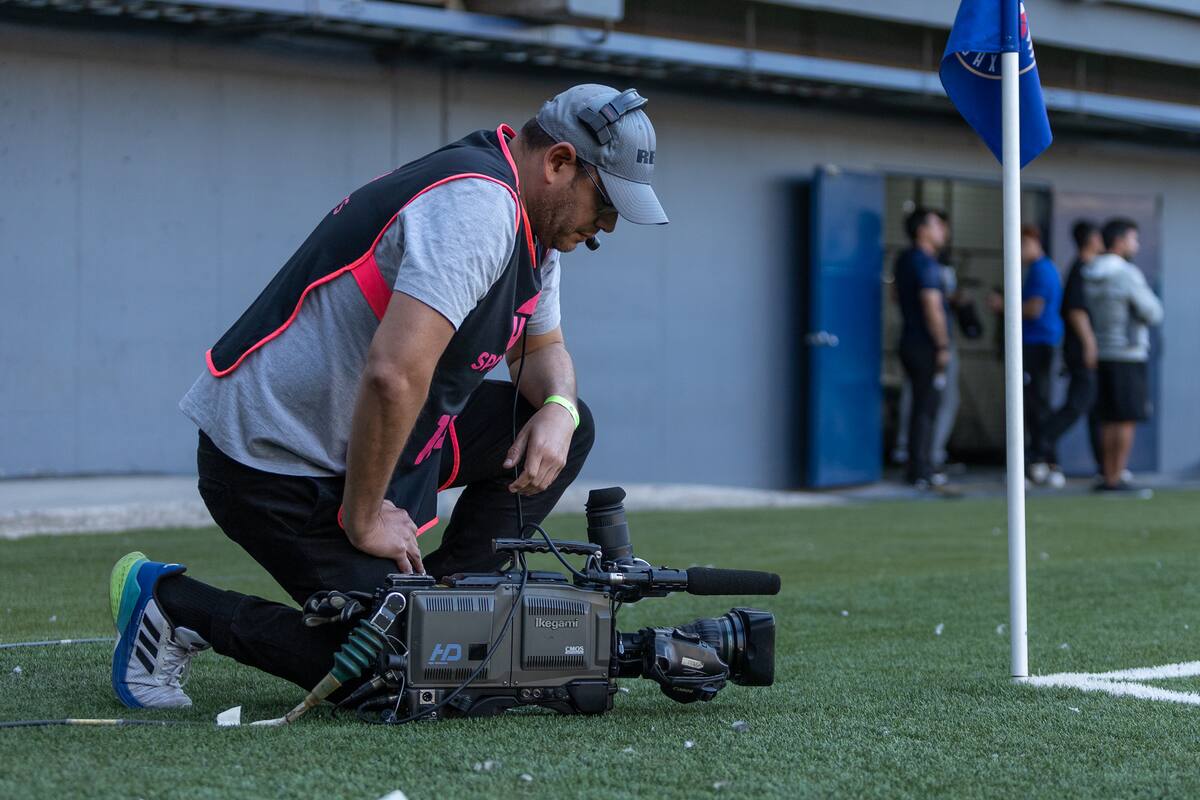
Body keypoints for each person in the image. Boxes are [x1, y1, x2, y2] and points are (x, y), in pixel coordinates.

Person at [107, 84, 669, 708]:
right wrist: (365, 515)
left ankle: (455, 596)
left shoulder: (537, 231)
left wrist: (560, 410)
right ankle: (170, 604)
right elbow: (392, 376)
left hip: (372, 440)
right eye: (606, 202)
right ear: (559, 163)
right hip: (273, 463)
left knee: (566, 424)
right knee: (401, 666)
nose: (609, 225)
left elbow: (541, 354)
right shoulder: (480, 208)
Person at [1083, 218, 1163, 492]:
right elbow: (1153, 311)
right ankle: (1117, 476)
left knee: (1108, 417)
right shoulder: (1126, 274)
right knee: (1126, 417)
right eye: (1133, 239)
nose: (1136, 245)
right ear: (1119, 241)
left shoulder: (1090, 271)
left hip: (1102, 351)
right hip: (1128, 353)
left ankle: (1107, 475)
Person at [1040, 220, 1104, 479]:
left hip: (1083, 349)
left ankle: (1105, 467)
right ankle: (1038, 447)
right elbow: (1076, 312)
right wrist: (1090, 346)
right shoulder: (1080, 269)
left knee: (1094, 409)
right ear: (1090, 239)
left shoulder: (1089, 269)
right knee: (1077, 405)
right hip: (1080, 351)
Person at [894, 208, 951, 489]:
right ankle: (921, 469)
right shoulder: (925, 263)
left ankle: (918, 466)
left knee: (919, 406)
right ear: (922, 231)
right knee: (927, 407)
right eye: (937, 225)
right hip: (925, 345)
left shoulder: (904, 260)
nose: (943, 230)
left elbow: (895, 297)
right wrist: (942, 344)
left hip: (909, 340)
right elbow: (932, 306)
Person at [1017, 225, 1064, 486]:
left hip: (1037, 344)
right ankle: (1044, 462)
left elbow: (1033, 310)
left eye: (1022, 244)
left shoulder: (1041, 270)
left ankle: (1044, 461)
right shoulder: (1038, 269)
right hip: (1039, 344)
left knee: (1036, 405)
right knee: (1036, 404)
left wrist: (1003, 306)